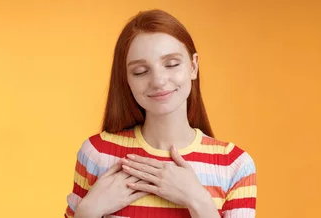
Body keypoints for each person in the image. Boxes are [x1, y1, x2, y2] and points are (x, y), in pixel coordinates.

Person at [64, 9, 257, 218]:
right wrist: (87, 212)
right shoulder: (97, 154)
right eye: (140, 71)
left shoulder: (234, 165)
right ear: (126, 80)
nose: (158, 81)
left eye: (171, 64)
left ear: (193, 67)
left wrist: (198, 201)